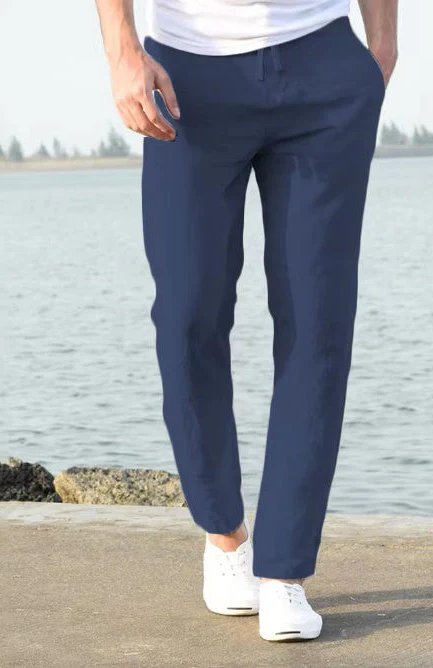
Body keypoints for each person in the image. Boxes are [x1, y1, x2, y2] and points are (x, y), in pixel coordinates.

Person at [95, 0, 398, 642]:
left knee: (318, 322)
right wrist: (122, 50)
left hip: (324, 66)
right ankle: (226, 535)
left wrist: (382, 44)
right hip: (186, 75)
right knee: (186, 316)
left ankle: (285, 573)